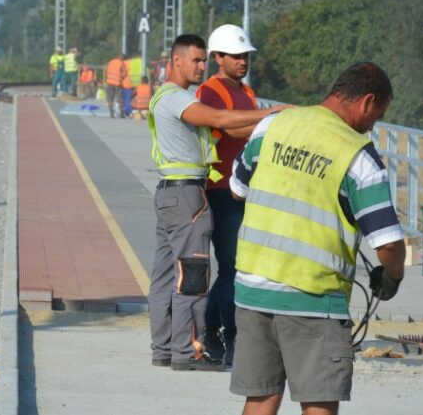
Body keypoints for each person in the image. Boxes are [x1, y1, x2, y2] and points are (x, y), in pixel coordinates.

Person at [229, 62, 406, 415]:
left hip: (252, 290)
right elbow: (387, 244)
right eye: (378, 115)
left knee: (261, 398)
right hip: (312, 298)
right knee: (319, 401)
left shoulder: (273, 125)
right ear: (366, 102)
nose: (373, 125)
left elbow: (237, 188)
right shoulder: (359, 156)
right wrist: (392, 277)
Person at [147, 33, 275, 372]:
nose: (201, 67)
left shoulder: (168, 97)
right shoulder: (177, 99)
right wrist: (274, 113)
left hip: (170, 192)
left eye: (204, 61)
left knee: (163, 276)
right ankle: (188, 352)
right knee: (192, 275)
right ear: (176, 61)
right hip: (188, 195)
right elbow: (220, 120)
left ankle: (163, 348)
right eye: (196, 61)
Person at [196, 24, 286, 366]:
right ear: (218, 57)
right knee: (232, 266)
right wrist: (270, 120)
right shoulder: (210, 92)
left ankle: (217, 327)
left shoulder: (247, 94)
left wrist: (268, 124)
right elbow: (227, 125)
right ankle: (224, 333)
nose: (242, 61)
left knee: (238, 267)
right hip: (220, 189)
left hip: (245, 189)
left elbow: (248, 130)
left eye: (245, 55)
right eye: (235, 56)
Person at [105, 52, 128, 118]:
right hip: (118, 83)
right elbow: (124, 73)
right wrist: (121, 77)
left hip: (109, 82)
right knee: (120, 99)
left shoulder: (110, 62)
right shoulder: (121, 63)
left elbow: (107, 71)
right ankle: (121, 114)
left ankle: (111, 114)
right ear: (121, 58)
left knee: (110, 99)